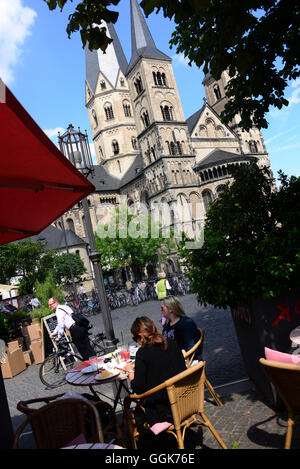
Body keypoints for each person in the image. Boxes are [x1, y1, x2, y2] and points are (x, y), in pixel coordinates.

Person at [122, 316, 186, 429]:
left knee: (129, 407)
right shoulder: (171, 343)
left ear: (140, 336)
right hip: (185, 399)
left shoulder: (142, 354)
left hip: (163, 410)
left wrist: (130, 371)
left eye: (135, 339)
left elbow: (138, 388)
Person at [161, 296, 201, 360]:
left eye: (162, 308)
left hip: (186, 361)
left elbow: (191, 346)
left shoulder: (186, 323)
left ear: (170, 309)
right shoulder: (167, 326)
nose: (161, 310)